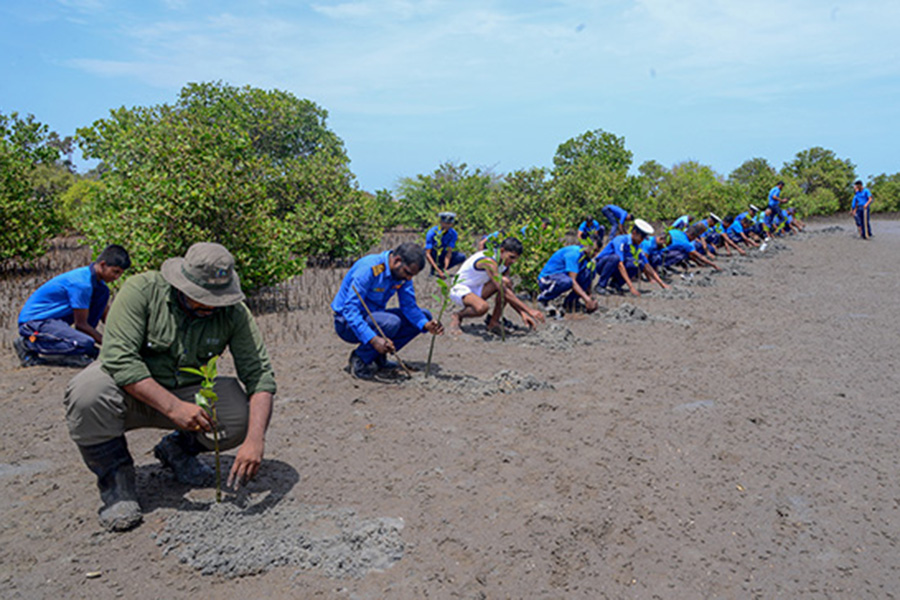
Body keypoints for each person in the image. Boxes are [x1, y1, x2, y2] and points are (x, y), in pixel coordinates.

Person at [63, 243, 276, 532]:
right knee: (87, 393)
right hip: (128, 390)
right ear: (182, 284)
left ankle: (176, 450)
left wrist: (255, 440)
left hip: (187, 391)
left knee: (240, 415)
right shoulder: (142, 290)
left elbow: (260, 374)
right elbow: (119, 359)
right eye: (202, 298)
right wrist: (173, 407)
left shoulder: (234, 312)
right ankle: (117, 487)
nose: (211, 306)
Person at [333, 242, 443, 380]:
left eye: (412, 276)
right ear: (397, 260)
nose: (409, 279)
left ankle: (377, 357)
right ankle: (360, 358)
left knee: (424, 316)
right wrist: (373, 340)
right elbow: (350, 311)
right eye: (408, 273)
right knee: (391, 323)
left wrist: (426, 325)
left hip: (374, 319)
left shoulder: (401, 275)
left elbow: (409, 306)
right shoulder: (369, 268)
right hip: (347, 324)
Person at [15, 245, 131, 368]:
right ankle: (27, 343)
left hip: (56, 320)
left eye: (120, 274)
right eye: (115, 272)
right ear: (102, 265)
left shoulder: (99, 286)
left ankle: (77, 346)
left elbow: (106, 316)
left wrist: (123, 339)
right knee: (86, 343)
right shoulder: (82, 284)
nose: (117, 277)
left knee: (103, 294)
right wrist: (108, 345)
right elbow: (81, 325)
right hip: (35, 322)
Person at [448, 237, 544, 333]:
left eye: (516, 259)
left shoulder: (505, 264)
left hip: (478, 288)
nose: (513, 261)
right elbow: (503, 290)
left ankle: (494, 322)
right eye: (511, 257)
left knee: (506, 282)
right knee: (482, 307)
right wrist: (529, 310)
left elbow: (507, 291)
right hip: (460, 289)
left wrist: (522, 313)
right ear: (502, 251)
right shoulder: (489, 261)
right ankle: (458, 315)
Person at [595, 219, 668, 297]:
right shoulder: (621, 240)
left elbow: (646, 265)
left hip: (616, 267)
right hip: (603, 265)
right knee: (615, 258)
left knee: (637, 263)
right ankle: (600, 285)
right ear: (634, 233)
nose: (642, 240)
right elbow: (620, 264)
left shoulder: (637, 245)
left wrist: (662, 284)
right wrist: (631, 287)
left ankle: (615, 284)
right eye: (641, 238)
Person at [536, 239, 599, 315]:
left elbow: (587, 280)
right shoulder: (574, 253)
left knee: (590, 272)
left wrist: (590, 297)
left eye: (596, 251)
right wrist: (586, 299)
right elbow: (572, 281)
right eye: (593, 250)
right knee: (567, 281)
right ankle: (543, 299)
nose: (594, 254)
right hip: (548, 279)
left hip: (562, 278)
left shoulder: (586, 259)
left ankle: (571, 302)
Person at [424, 212, 466, 278]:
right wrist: (437, 270)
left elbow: (449, 253)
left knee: (461, 256)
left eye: (449, 223)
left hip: (443, 253)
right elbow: (428, 254)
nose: (447, 226)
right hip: (433, 253)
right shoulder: (432, 232)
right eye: (445, 223)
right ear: (441, 222)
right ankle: (434, 269)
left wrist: (445, 268)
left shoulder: (453, 234)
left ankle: (442, 269)